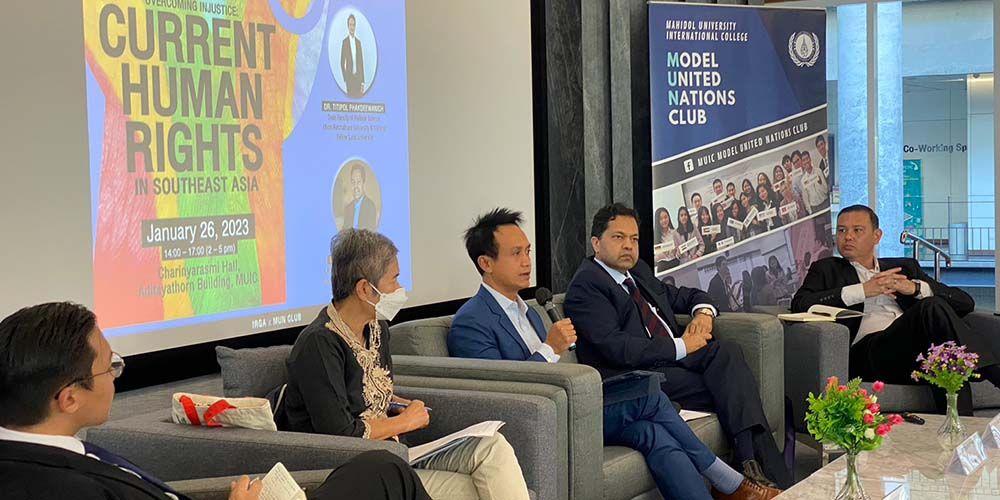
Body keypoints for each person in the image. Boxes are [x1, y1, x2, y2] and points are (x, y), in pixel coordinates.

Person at [448, 209, 780, 500]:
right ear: (486, 263)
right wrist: (549, 348)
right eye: (516, 253)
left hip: (576, 406)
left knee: (652, 432)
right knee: (650, 396)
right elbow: (506, 395)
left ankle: (727, 485)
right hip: (543, 421)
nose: (526, 261)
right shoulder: (471, 322)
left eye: (528, 251)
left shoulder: (531, 311)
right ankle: (729, 481)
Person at [0, 302, 432, 500]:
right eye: (109, 367)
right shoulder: (56, 487)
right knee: (387, 473)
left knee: (377, 468)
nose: (116, 375)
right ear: (69, 398)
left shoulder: (41, 455)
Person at [280, 229, 531, 499]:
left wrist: (398, 404)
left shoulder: (376, 328)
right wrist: (406, 422)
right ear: (364, 289)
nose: (400, 289)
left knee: (492, 446)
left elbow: (368, 390)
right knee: (470, 488)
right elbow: (339, 431)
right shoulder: (320, 343)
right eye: (394, 280)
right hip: (359, 470)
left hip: (396, 453)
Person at [564, 203, 793, 488]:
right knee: (736, 387)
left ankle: (750, 465)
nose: (629, 246)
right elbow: (617, 347)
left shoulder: (638, 272)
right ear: (596, 243)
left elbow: (685, 295)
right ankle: (761, 471)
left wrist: (704, 314)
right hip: (640, 375)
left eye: (634, 239)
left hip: (675, 360)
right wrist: (681, 345)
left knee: (728, 352)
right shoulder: (587, 286)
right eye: (618, 237)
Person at [791, 205, 1000, 415]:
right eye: (842, 230)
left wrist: (915, 288)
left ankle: (962, 428)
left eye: (857, 230)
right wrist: (862, 290)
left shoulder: (904, 268)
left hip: (913, 352)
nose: (848, 237)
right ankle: (992, 371)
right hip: (869, 354)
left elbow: (965, 302)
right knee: (931, 309)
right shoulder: (826, 269)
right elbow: (800, 304)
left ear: (877, 236)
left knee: (944, 357)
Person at [342, 164, 378, 230]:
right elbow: (343, 232)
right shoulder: (347, 209)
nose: (355, 186)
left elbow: (370, 234)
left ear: (363, 183)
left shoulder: (370, 207)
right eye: (353, 182)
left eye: (358, 182)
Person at [340, 14, 366, 97]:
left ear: (355, 26)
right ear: (348, 26)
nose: (352, 27)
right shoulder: (345, 42)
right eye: (350, 25)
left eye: (353, 25)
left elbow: (361, 63)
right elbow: (341, 63)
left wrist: (362, 82)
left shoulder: (358, 43)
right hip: (350, 81)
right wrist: (346, 79)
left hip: (358, 80)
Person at [653, 207, 683, 272]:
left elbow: (681, 249)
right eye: (661, 219)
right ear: (657, 221)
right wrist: (660, 255)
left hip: (675, 263)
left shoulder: (675, 232)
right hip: (662, 266)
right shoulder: (655, 237)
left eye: (665, 217)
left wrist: (678, 253)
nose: (664, 220)